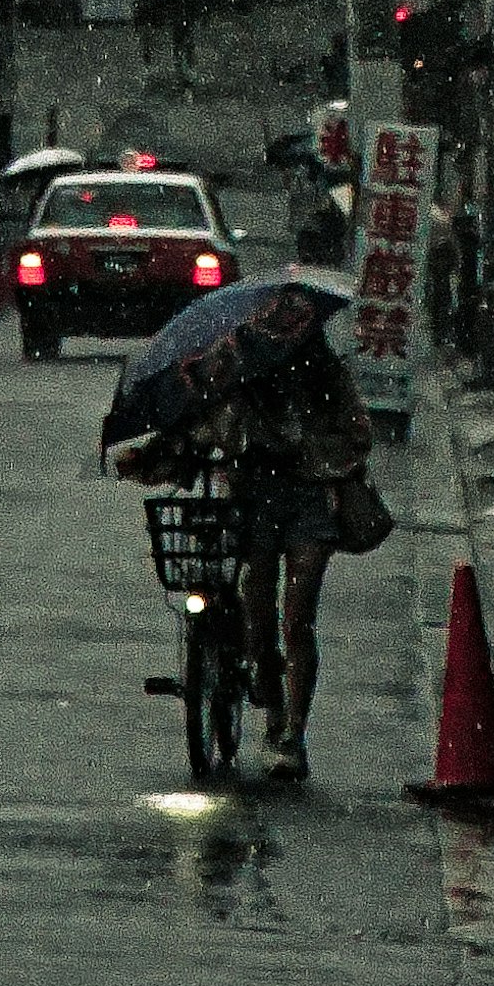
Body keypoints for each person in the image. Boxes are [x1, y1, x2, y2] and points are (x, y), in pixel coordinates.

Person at [200, 290, 371, 778]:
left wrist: (315, 450)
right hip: (255, 499)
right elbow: (207, 421)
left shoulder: (327, 375)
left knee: (297, 617)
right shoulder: (237, 362)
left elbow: (358, 434)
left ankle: (294, 731)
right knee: (257, 608)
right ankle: (274, 711)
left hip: (310, 499)